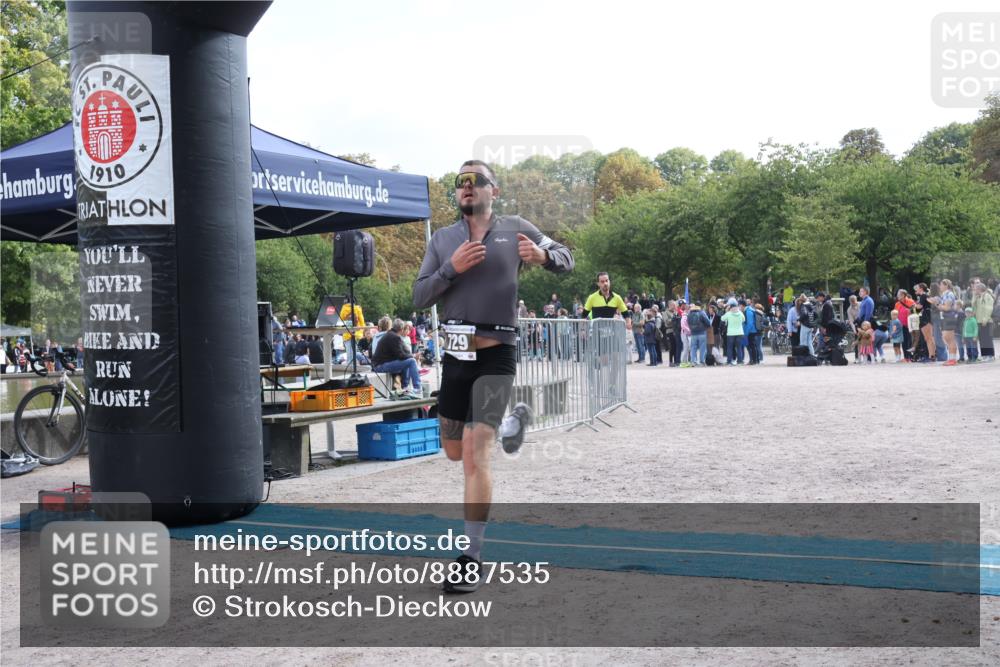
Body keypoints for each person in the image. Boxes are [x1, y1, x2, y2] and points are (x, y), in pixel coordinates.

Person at [412, 159, 573, 593]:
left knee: (473, 455)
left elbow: (567, 257)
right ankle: (512, 422)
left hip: (497, 353)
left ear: (493, 191)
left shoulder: (515, 226)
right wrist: (452, 269)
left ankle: (471, 557)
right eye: (460, 182)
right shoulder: (444, 240)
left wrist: (542, 255)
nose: (466, 187)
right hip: (456, 358)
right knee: (450, 450)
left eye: (475, 181)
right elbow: (418, 294)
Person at [371, 318, 422, 395]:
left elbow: (403, 352)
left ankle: (405, 387)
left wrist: (411, 355)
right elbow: (401, 356)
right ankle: (417, 387)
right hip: (380, 366)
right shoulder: (394, 337)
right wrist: (413, 356)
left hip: (379, 364)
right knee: (411, 361)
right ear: (401, 329)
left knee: (408, 361)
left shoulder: (390, 334)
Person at [936, 279, 960, 366]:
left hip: (949, 317)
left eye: (941, 285)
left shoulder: (949, 294)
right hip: (945, 318)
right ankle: (951, 358)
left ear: (946, 285)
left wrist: (937, 304)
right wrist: (937, 304)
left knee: (949, 338)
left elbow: (947, 308)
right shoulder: (944, 294)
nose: (940, 286)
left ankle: (953, 359)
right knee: (947, 338)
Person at [971, 282, 995, 360]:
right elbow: (973, 307)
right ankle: (984, 355)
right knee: (982, 339)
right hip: (979, 320)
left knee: (987, 338)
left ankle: (990, 355)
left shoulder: (987, 296)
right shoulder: (978, 297)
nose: (974, 290)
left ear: (979, 289)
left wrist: (985, 318)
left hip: (986, 321)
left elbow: (989, 308)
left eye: (975, 289)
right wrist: (974, 298)